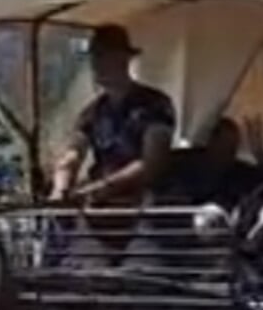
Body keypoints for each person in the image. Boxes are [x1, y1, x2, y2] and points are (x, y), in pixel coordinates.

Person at [49, 24, 176, 205]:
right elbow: (73, 154)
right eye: (93, 57)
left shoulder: (156, 105)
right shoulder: (91, 112)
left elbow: (152, 164)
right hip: (99, 207)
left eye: (102, 56)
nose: (95, 64)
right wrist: (60, 186)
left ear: (123, 58)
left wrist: (105, 186)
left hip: (144, 207)